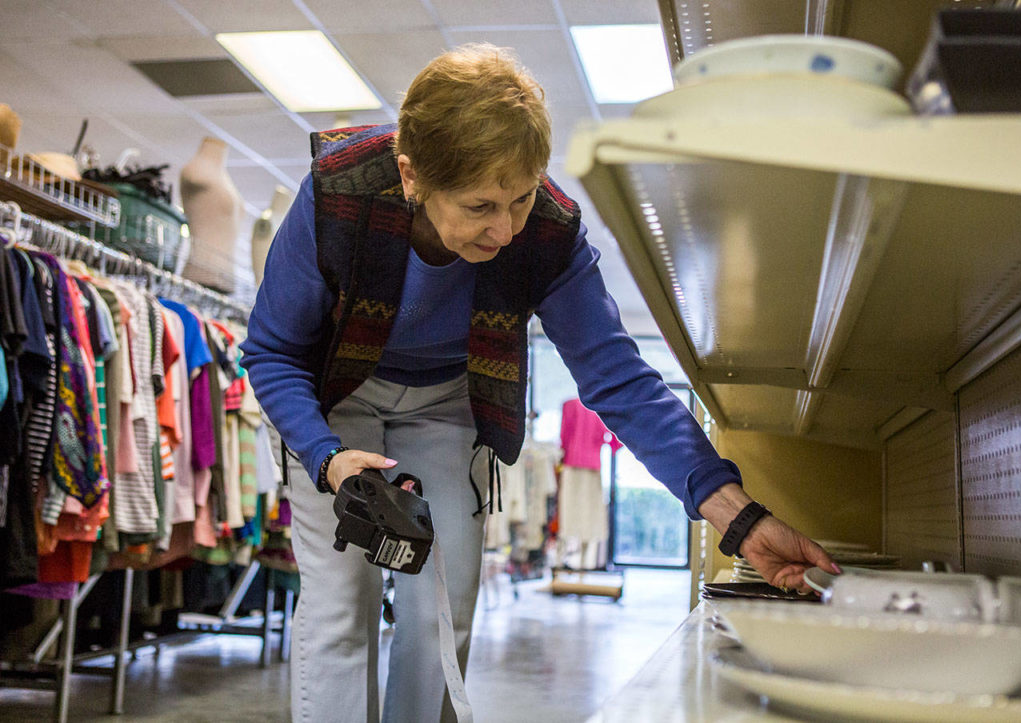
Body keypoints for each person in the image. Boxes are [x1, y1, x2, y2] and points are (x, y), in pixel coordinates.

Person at [240, 42, 838, 723]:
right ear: (411, 175)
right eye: (481, 206)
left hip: (447, 403)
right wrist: (325, 457)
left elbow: (618, 378)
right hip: (331, 401)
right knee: (342, 605)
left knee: (445, 604)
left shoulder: (550, 232)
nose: (505, 228)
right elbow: (272, 353)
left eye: (520, 198)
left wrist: (741, 519)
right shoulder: (337, 194)